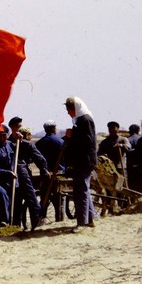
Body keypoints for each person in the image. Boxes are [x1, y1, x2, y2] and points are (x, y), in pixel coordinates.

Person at [8, 116, 49, 231]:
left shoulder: (26, 143)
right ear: (13, 128)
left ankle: (35, 225)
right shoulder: (8, 142)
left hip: (21, 173)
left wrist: (43, 170)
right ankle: (16, 226)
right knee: (19, 200)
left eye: (21, 126)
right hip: (16, 174)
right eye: (18, 126)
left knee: (29, 199)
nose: (20, 128)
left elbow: (40, 159)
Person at [64, 96, 97, 231]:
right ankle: (89, 219)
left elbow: (87, 141)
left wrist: (73, 135)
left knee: (81, 191)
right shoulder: (81, 119)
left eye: (69, 109)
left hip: (84, 160)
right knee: (83, 190)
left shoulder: (85, 120)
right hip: (82, 160)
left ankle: (81, 223)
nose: (68, 112)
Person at [35, 120, 65, 220]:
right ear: (53, 129)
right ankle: (59, 217)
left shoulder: (39, 143)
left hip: (45, 173)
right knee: (58, 197)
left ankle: (42, 216)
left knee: (44, 196)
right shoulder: (60, 142)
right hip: (59, 173)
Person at [126, 124, 142, 193]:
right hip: (141, 165)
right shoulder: (141, 138)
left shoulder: (128, 140)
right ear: (138, 131)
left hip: (130, 166)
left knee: (131, 185)